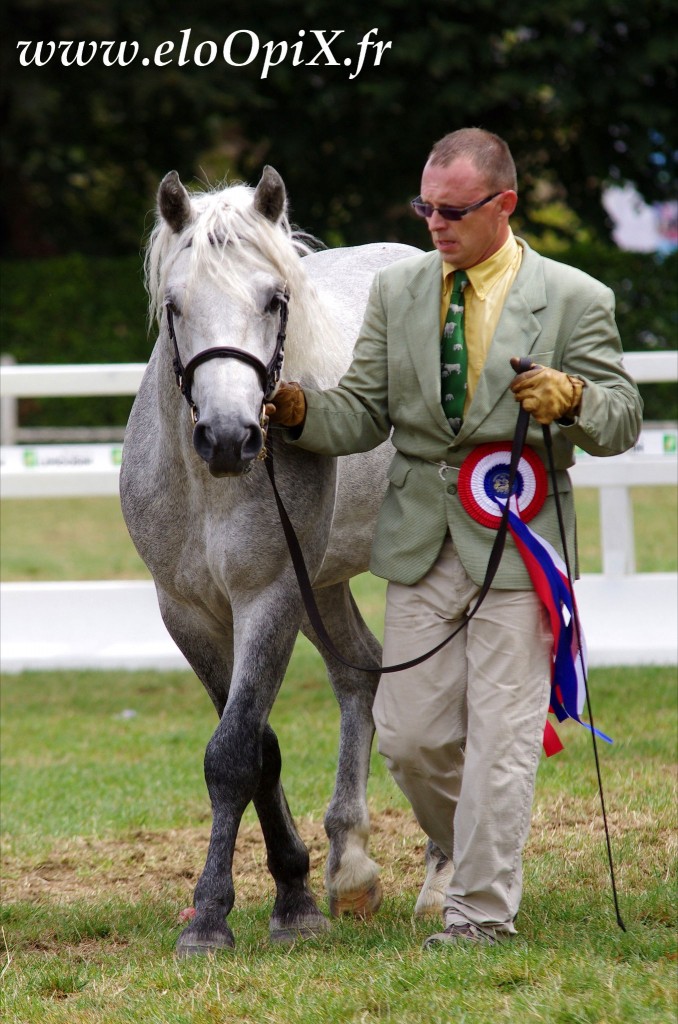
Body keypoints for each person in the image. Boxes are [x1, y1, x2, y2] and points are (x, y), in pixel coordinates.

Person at [267, 128, 642, 947]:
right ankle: (470, 848)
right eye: (425, 207)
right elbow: (360, 411)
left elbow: (622, 421)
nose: (434, 222)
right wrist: (298, 414)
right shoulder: (399, 289)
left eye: (452, 210)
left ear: (503, 205)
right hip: (418, 543)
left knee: (503, 740)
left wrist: (574, 397)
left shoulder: (575, 297)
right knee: (410, 737)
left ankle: (480, 913)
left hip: (520, 545)